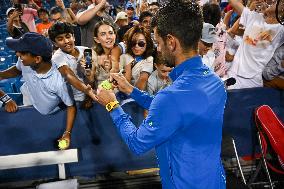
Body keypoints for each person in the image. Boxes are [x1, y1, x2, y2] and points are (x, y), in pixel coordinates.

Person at [95, 0, 227, 188]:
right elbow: (176, 111)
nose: (158, 48)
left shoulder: (172, 97)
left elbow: (137, 143)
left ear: (171, 42)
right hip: (215, 181)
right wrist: (131, 89)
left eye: (158, 42)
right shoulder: (214, 82)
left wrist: (112, 105)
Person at [0, 32, 76, 149]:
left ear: (37, 59)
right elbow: (17, 69)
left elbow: (71, 106)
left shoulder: (59, 82)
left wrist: (67, 133)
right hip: (29, 97)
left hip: (51, 113)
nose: (17, 53)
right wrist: (2, 75)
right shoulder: (24, 62)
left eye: (23, 53)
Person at [227, 0, 284, 89]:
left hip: (253, 81)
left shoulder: (281, 30)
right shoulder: (253, 16)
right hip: (233, 73)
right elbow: (233, 2)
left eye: (277, 1)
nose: (272, 1)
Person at [48, 22, 97, 107]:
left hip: (91, 97)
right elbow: (68, 75)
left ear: (73, 37)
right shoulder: (57, 57)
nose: (66, 41)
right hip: (74, 102)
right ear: (55, 43)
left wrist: (88, 72)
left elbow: (91, 78)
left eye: (68, 36)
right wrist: (88, 91)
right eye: (60, 39)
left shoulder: (86, 51)